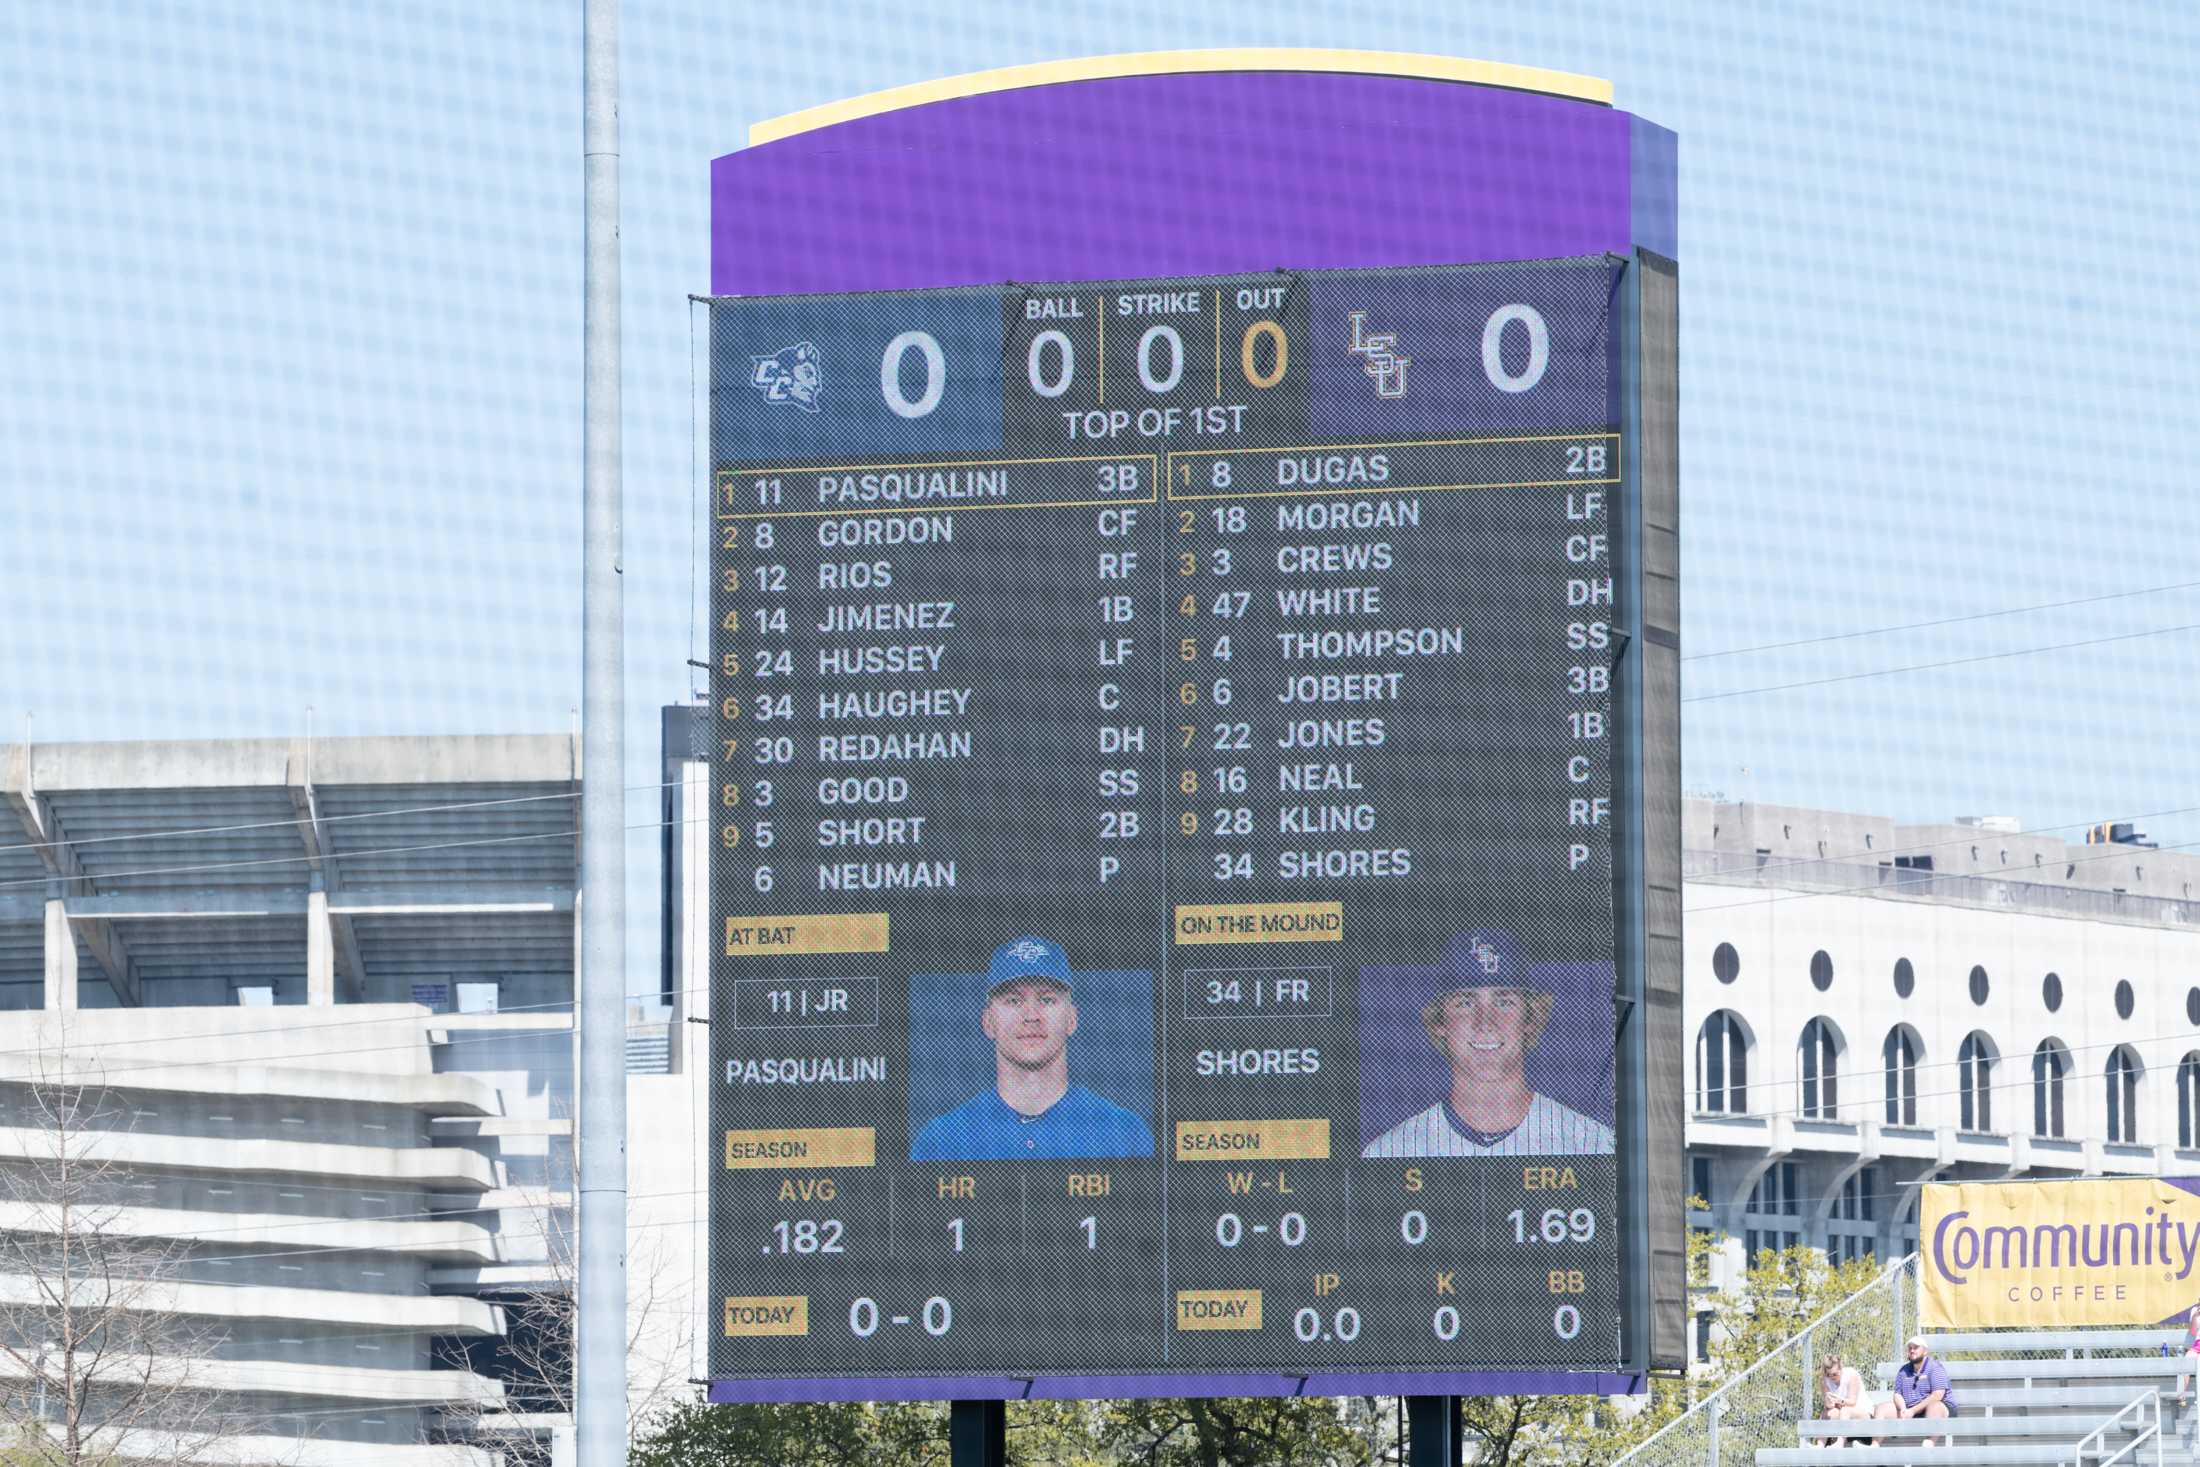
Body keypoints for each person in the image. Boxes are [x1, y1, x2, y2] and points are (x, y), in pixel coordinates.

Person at [1362, 930, 1614, 1157]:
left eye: (1504, 1002)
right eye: (1465, 1003)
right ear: (1440, 1022)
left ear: (1530, 1018)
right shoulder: (1391, 1150)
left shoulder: (1591, 1143)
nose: (1485, 1022)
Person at [909, 937, 1154, 1161]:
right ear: (987, 1022)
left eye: (1047, 999)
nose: (1031, 1016)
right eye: (1013, 1001)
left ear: (1072, 1019)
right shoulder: (942, 1140)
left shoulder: (1123, 1132)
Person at [1874, 1335, 1956, 1447]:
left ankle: (1929, 1443)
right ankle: (1874, 1446)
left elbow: (1938, 1395)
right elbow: (1897, 1394)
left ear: (1925, 1351)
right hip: (1910, 1410)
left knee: (1934, 1406)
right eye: (1910, 1348)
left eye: (1916, 1347)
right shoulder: (1903, 1370)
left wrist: (1912, 1410)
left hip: (1938, 1410)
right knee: (1882, 1408)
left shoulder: (1935, 1367)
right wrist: (1903, 1409)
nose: (1912, 1350)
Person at [1817, 1352, 1872, 1448]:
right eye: (1828, 1374)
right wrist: (1828, 1402)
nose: (1831, 1377)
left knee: (1845, 1410)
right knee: (1826, 1413)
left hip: (1862, 1413)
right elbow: (1829, 1406)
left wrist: (1839, 1400)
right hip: (1842, 1415)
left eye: (1835, 1374)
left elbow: (1852, 1402)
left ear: (1841, 1368)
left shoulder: (1851, 1375)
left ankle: (1840, 1442)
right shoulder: (1824, 1380)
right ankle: (1820, 1445)